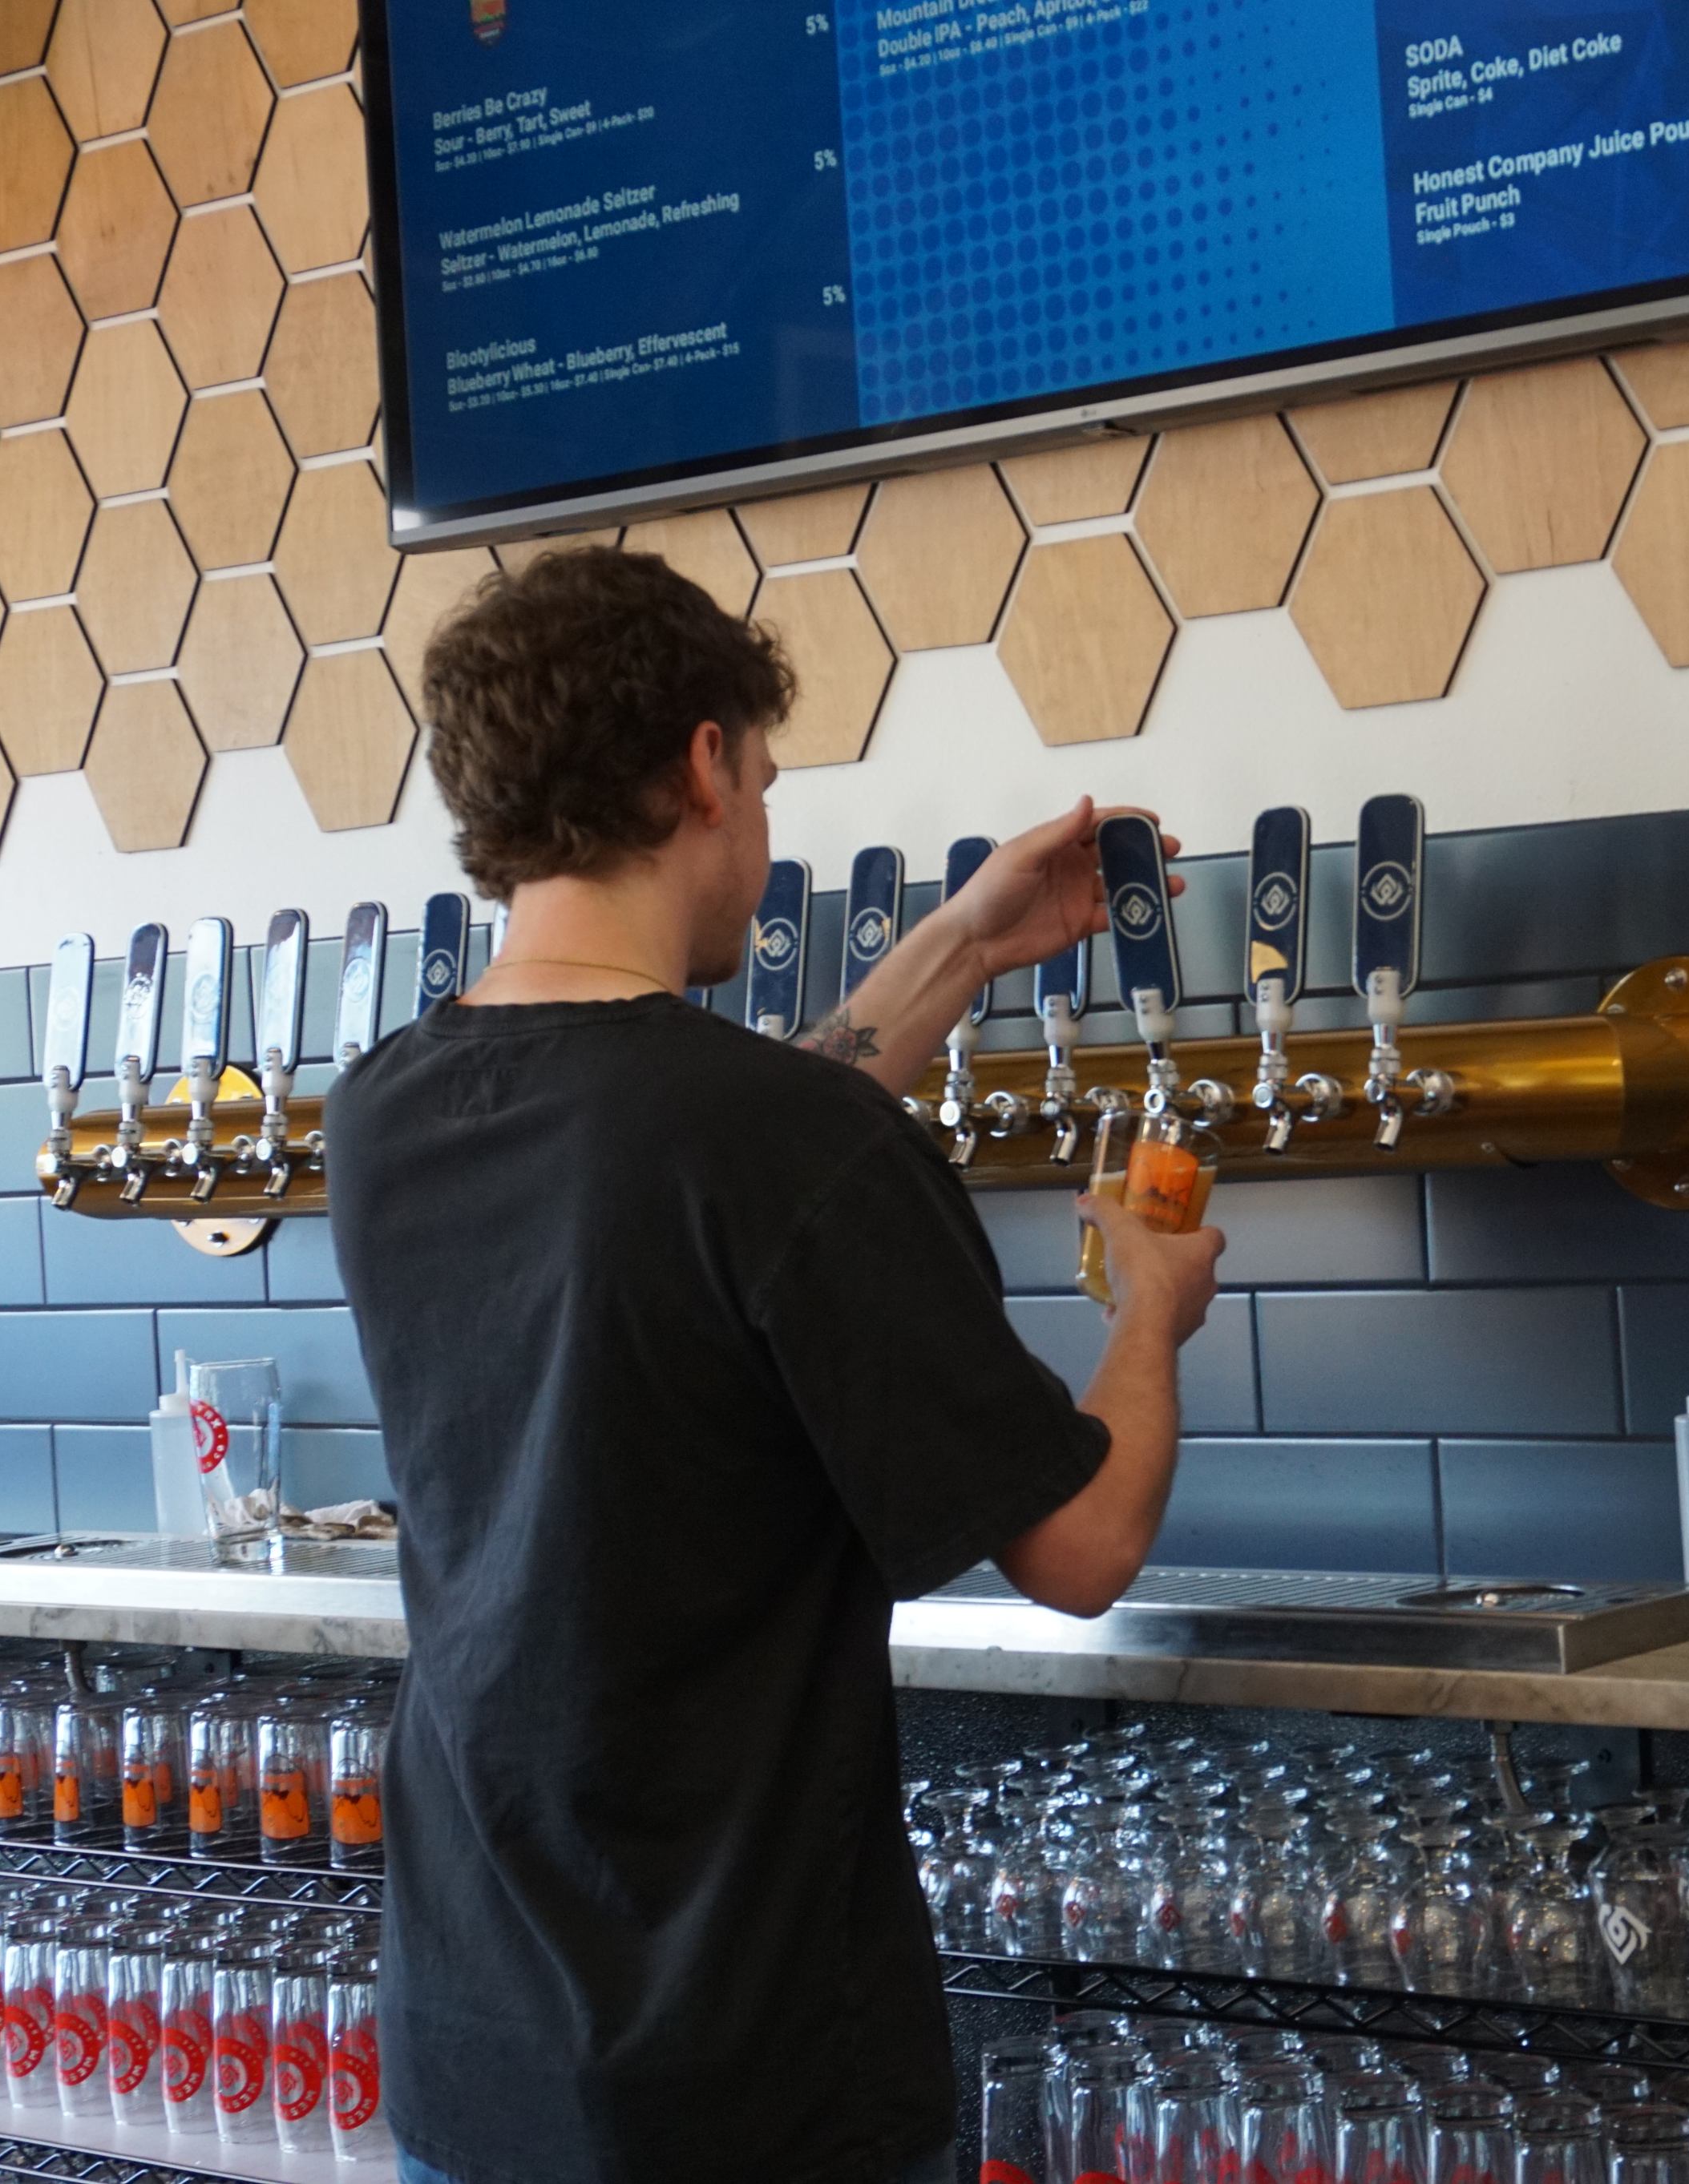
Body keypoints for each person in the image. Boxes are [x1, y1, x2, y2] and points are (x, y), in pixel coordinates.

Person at [327, 545, 1223, 2184]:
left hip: (468, 2061)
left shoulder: (384, 1108)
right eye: (762, 779)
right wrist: (1147, 1322)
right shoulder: (780, 1146)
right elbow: (1080, 1549)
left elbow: (684, 1134)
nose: (761, 840)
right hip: (748, 2086)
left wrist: (959, 941)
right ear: (701, 762)